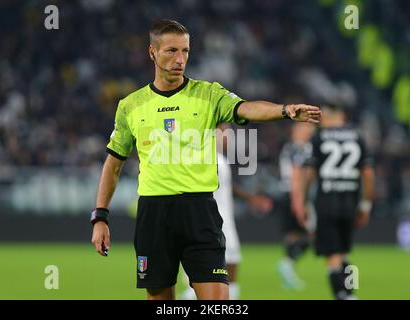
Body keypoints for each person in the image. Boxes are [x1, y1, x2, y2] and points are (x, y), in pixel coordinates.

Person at [90, 19, 321, 300]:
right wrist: (100, 217)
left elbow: (247, 108)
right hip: (154, 213)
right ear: (152, 52)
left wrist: (284, 111)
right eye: (172, 51)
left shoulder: (209, 94)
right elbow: (113, 165)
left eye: (185, 51)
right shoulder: (130, 106)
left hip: (200, 213)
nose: (180, 59)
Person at [180, 123, 273, 300]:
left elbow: (226, 187)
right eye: (225, 131)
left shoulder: (218, 159)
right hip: (213, 223)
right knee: (219, 275)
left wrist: (250, 198)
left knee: (229, 273)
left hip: (224, 222)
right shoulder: (202, 157)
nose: (228, 136)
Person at [296, 104, 374, 300]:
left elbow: (309, 173)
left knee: (333, 255)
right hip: (350, 202)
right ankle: (350, 292)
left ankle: (342, 295)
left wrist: (304, 202)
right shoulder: (358, 136)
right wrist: (366, 204)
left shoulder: (319, 137)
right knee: (344, 252)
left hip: (326, 202)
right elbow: (368, 173)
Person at [275, 122, 314, 290]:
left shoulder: (289, 148)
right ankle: (287, 264)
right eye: (306, 128)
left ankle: (288, 274)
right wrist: (299, 201)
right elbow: (298, 175)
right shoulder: (300, 149)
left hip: (288, 192)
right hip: (295, 194)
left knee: (294, 235)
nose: (310, 131)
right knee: (311, 234)